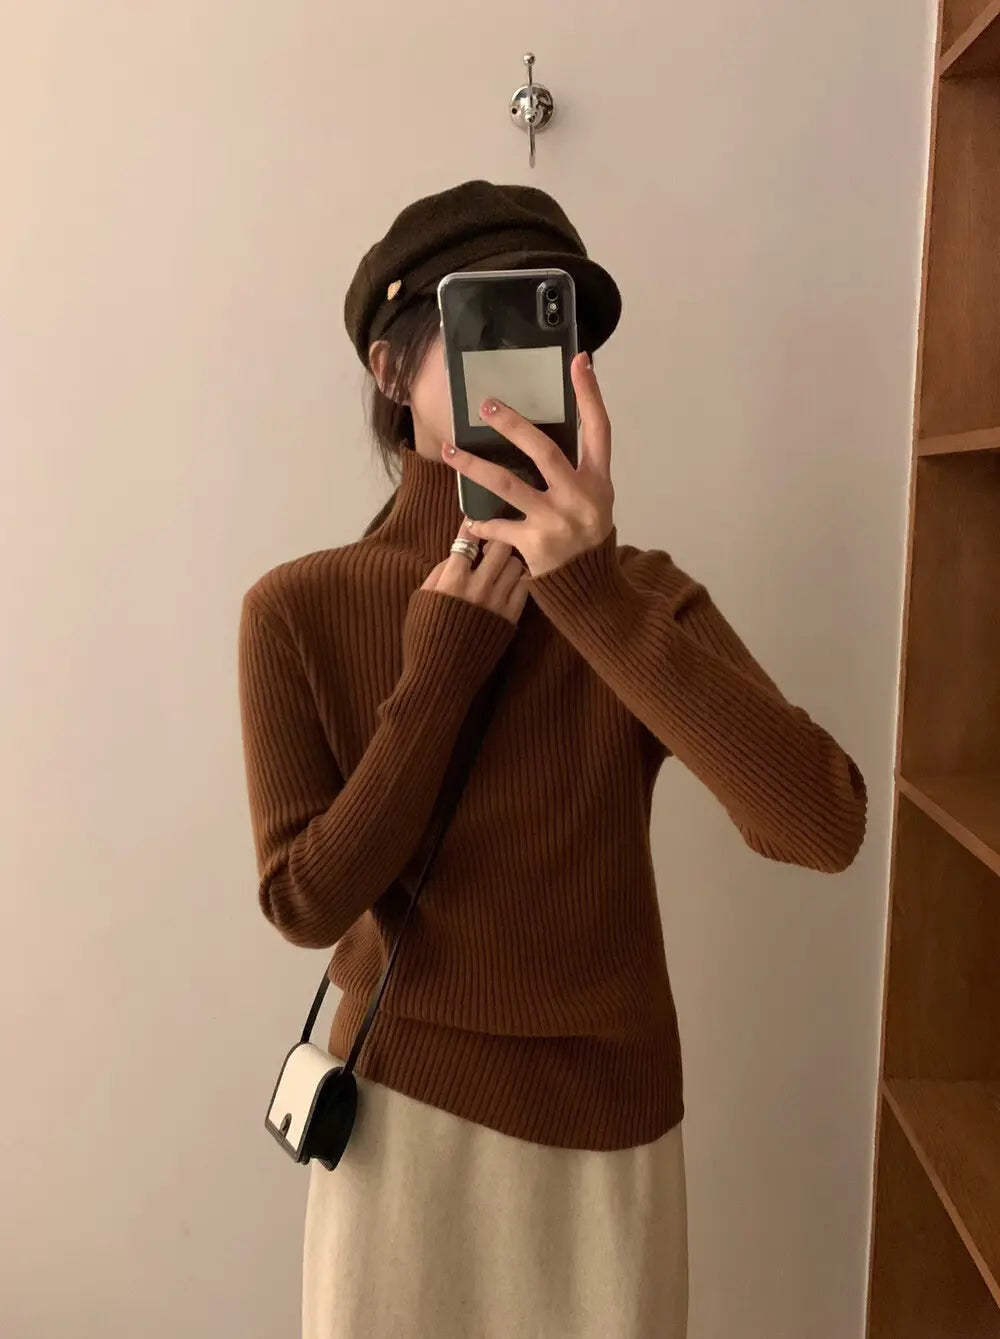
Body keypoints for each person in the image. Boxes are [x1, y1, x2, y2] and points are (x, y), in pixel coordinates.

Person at [237, 179, 867, 1339]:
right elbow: (304, 900)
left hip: (609, 1140)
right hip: (402, 1125)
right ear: (391, 369)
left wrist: (588, 592)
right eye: (491, 325)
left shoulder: (637, 601)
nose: (530, 367)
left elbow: (823, 824)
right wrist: (441, 669)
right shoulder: (298, 609)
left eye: (555, 328)